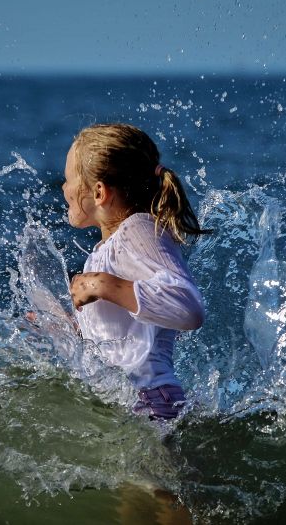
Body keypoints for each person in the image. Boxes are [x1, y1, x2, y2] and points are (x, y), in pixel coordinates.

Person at [62, 123, 209, 420]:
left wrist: (102, 285)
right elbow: (120, 341)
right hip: (128, 403)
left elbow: (188, 307)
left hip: (152, 400)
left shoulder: (138, 229)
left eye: (68, 179)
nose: (64, 188)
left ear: (99, 192)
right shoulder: (108, 249)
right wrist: (64, 328)